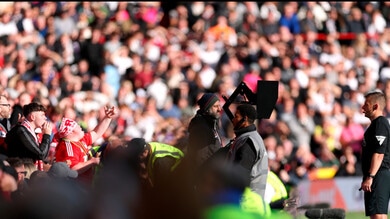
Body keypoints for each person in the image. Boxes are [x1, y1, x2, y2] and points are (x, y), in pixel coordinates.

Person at [54, 105, 116, 185]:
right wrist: (91, 162)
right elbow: (73, 169)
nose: (80, 126)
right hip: (75, 187)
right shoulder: (68, 147)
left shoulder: (78, 140)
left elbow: (96, 133)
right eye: (77, 126)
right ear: (71, 132)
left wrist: (107, 118)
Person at [225, 104, 268, 198]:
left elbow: (239, 176)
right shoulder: (251, 137)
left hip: (245, 202)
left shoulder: (249, 142)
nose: (233, 119)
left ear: (245, 119)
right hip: (252, 200)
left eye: (236, 116)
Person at [360, 90, 390, 218]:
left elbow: (379, 153)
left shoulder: (380, 123)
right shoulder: (375, 125)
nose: (363, 108)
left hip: (379, 174)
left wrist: (370, 177)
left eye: (366, 104)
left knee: (378, 215)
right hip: (377, 174)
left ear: (375, 106)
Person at [5, 102, 52, 170]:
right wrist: (47, 135)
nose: (45, 118)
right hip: (20, 172)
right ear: (32, 117)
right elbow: (41, 154)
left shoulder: (30, 131)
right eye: (42, 115)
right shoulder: (21, 130)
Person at [187, 92, 223, 167]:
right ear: (207, 108)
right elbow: (200, 158)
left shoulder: (213, 123)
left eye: (219, 105)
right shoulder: (200, 128)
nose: (219, 109)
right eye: (215, 106)